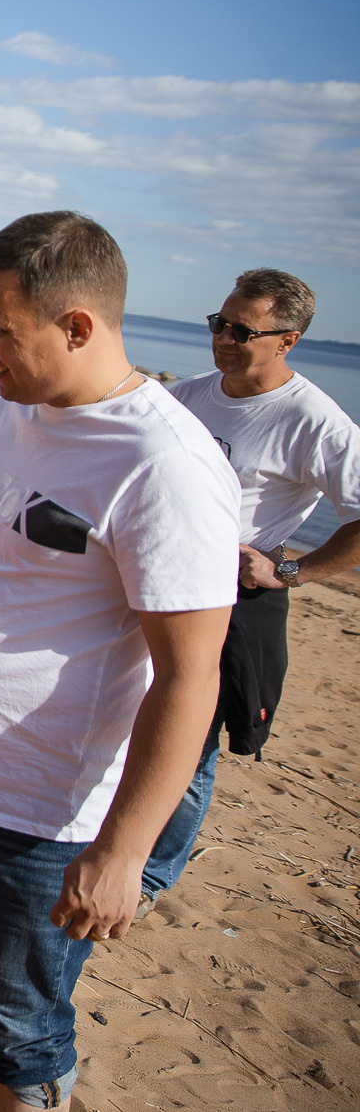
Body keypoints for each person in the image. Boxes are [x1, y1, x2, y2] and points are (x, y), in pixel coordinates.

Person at [0, 212, 237, 1112]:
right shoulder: (12, 409)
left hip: (44, 820)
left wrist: (124, 848)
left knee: (23, 1029)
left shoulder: (165, 464)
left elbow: (192, 676)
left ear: (78, 325)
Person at [138, 269, 360, 908]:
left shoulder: (315, 421)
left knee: (191, 744)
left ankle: (153, 877)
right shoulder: (188, 396)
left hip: (224, 604)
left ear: (287, 340)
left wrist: (289, 570)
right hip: (151, 585)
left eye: (242, 331)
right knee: (128, 716)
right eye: (219, 323)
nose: (224, 338)